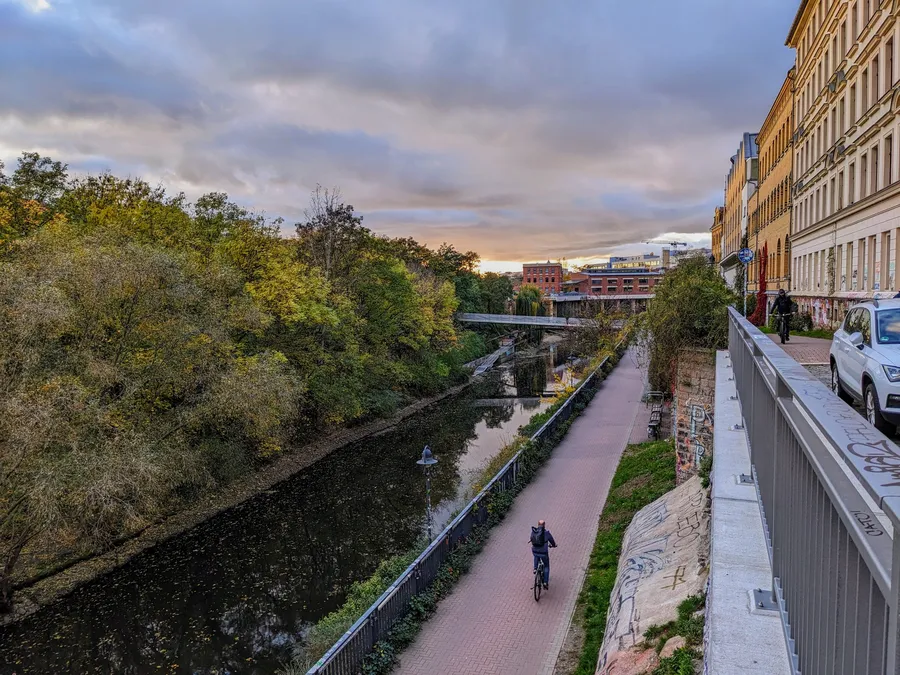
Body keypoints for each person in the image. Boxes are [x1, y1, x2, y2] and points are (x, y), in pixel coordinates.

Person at [530, 519, 557, 589]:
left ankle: (535, 568)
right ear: (544, 525)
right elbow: (552, 541)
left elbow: (531, 539)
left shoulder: (534, 532)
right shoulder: (547, 533)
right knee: (546, 566)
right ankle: (545, 582)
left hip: (535, 551)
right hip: (544, 553)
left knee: (536, 556)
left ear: (538, 525)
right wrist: (554, 545)